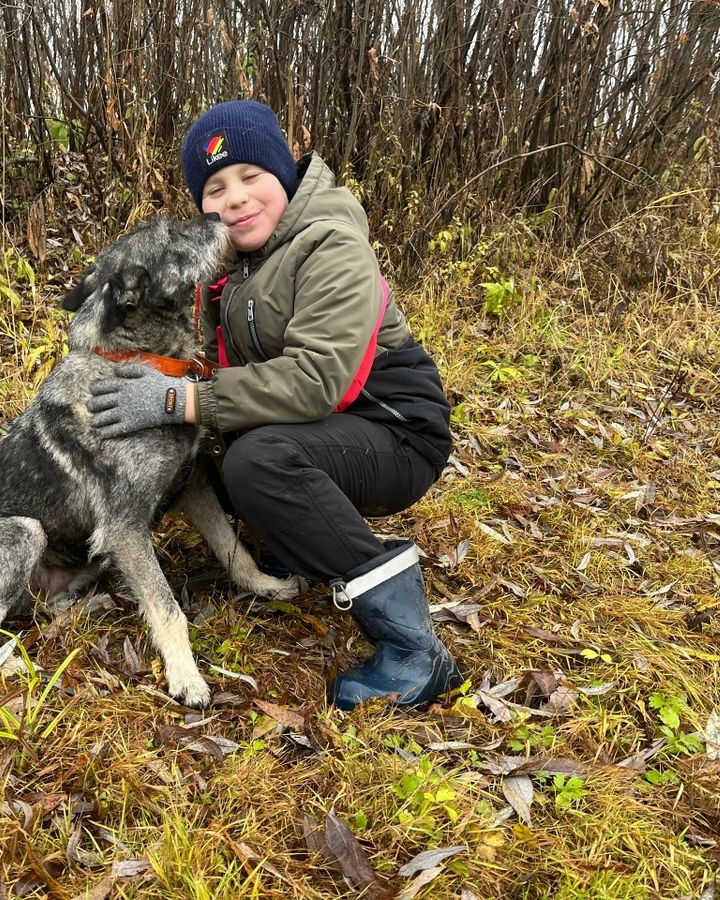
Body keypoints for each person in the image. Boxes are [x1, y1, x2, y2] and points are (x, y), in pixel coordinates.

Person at [87, 99, 460, 710]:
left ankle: (414, 648)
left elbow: (316, 382)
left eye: (251, 176)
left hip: (395, 431)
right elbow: (219, 370)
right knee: (206, 452)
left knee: (256, 462)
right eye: (215, 188)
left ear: (284, 174)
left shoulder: (332, 244)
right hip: (324, 430)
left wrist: (177, 398)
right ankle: (290, 546)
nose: (235, 198)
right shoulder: (232, 269)